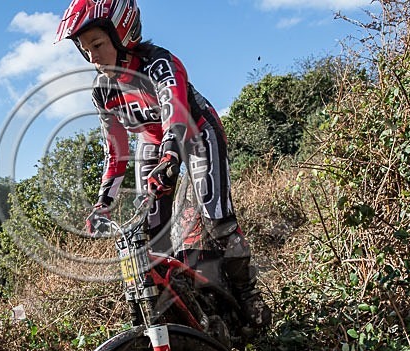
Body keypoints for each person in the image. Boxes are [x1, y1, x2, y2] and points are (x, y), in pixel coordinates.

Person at [55, 0, 272, 330]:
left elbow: (176, 113)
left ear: (122, 33)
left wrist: (171, 157)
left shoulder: (159, 63)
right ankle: (184, 311)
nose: (93, 57)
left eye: (97, 44)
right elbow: (116, 152)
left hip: (197, 132)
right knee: (152, 239)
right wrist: (103, 204)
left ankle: (248, 295)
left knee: (217, 222)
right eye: (86, 50)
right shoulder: (102, 91)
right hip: (153, 143)